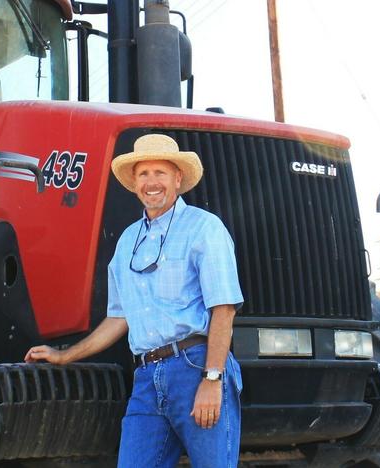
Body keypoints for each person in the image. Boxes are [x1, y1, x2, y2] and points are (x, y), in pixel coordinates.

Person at [25, 133, 243, 468]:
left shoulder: (204, 228)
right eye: (143, 174)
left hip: (195, 366)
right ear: (134, 182)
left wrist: (212, 379)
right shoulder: (128, 241)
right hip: (146, 376)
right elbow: (119, 317)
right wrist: (65, 355)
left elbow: (223, 309)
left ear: (178, 178)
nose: (151, 182)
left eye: (160, 173)